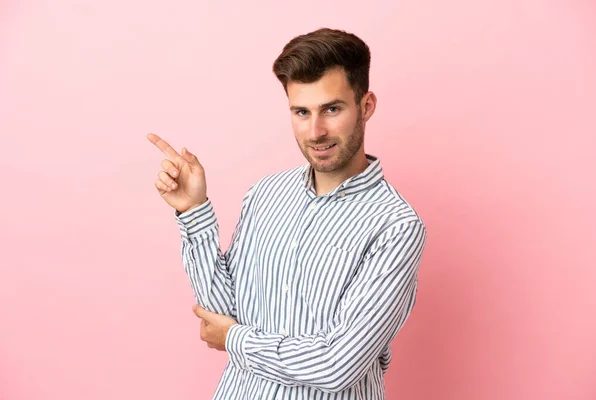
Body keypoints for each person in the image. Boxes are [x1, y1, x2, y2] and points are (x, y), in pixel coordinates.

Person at [147, 27, 426, 400]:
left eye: (332, 109)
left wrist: (236, 339)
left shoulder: (396, 227)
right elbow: (222, 311)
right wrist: (193, 210)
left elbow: (338, 365)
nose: (316, 131)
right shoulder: (266, 195)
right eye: (301, 112)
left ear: (366, 106)